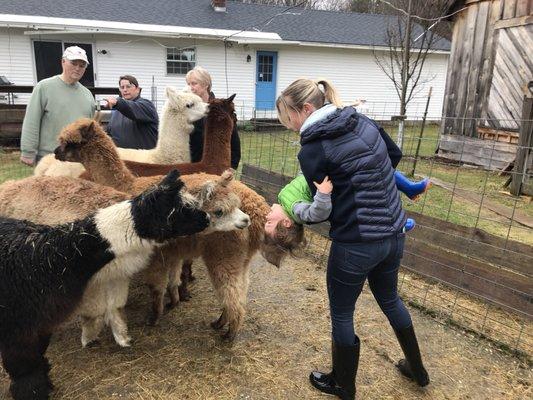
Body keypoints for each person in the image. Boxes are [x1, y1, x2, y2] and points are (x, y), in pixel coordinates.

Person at [275, 78, 430, 400]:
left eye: (289, 117)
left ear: (305, 109)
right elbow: (393, 155)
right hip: (393, 234)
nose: (289, 125)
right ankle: (417, 369)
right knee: (390, 300)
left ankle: (343, 385)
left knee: (343, 314)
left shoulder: (313, 149)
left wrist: (297, 210)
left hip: (356, 244)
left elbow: (320, 209)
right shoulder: (362, 120)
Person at [20, 46, 96, 166]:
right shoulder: (44, 87)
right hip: (49, 157)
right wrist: (28, 152)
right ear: (63, 62)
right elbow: (32, 120)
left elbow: (91, 130)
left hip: (77, 159)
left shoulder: (88, 95)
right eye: (73, 63)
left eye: (82, 65)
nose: (77, 68)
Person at [185, 66, 241, 169]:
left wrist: (232, 167)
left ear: (205, 84)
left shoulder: (221, 109)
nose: (190, 87)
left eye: (194, 83)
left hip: (217, 168)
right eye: (188, 84)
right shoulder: (187, 110)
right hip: (192, 168)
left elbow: (234, 141)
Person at [104, 75, 159, 149]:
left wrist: (117, 102)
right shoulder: (117, 111)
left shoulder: (146, 105)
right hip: (122, 158)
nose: (125, 90)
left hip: (143, 159)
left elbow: (132, 109)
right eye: (122, 87)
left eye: (128, 86)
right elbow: (110, 134)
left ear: (137, 89)